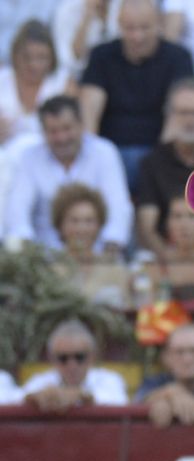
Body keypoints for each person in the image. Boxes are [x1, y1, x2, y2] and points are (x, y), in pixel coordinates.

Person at [78, 0, 194, 184]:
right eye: (130, 28)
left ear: (159, 23)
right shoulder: (101, 56)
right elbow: (89, 113)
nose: (137, 36)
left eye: (144, 28)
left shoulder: (178, 57)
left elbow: (179, 112)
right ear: (119, 25)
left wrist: (159, 161)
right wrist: (94, 158)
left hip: (159, 150)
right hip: (110, 151)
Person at [2, 94, 133, 254]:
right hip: (44, 260)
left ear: (81, 125)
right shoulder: (29, 158)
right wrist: (25, 253)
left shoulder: (104, 152)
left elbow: (118, 206)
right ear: (42, 132)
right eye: (53, 131)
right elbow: (18, 213)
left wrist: (110, 249)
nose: (61, 138)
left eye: (66, 128)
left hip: (98, 255)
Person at [132, 79, 194, 256]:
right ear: (169, 116)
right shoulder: (152, 161)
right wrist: (170, 263)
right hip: (166, 252)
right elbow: (147, 224)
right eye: (183, 113)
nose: (190, 120)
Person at [49, 182, 134, 306]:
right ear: (60, 225)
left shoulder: (116, 269)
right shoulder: (48, 271)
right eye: (74, 221)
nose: (81, 229)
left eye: (89, 221)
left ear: (99, 225)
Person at [19, 318, 128, 412]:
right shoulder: (41, 381)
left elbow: (118, 402)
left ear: (92, 357)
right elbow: (16, 401)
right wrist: (35, 398)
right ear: (52, 359)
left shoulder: (109, 379)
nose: (72, 365)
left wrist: (79, 396)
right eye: (63, 358)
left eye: (79, 357)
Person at [0, 21, 64, 156]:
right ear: (15, 56)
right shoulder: (2, 79)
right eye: (27, 57)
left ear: (52, 58)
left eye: (41, 58)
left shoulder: (62, 84)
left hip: (50, 156)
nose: (33, 65)